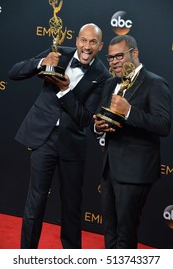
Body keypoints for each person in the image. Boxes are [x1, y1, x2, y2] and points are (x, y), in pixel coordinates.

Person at [8, 23, 110, 249]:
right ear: (76, 41)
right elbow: (14, 72)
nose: (87, 46)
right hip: (43, 138)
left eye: (93, 42)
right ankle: (26, 257)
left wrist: (65, 89)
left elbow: (84, 118)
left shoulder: (102, 75)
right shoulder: (56, 54)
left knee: (72, 206)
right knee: (36, 201)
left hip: (72, 144)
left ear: (100, 46)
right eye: (83, 40)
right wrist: (40, 63)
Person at [93, 34, 172, 249]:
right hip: (109, 168)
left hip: (136, 172)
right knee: (109, 230)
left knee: (126, 234)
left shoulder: (155, 84)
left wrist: (129, 112)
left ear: (134, 53)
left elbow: (163, 125)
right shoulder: (110, 84)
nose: (114, 61)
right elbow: (101, 117)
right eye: (110, 58)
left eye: (119, 56)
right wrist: (97, 126)